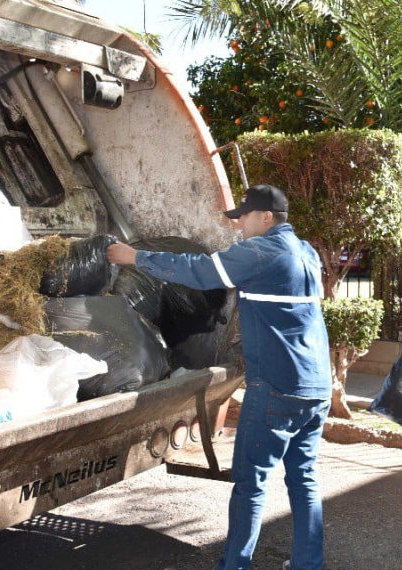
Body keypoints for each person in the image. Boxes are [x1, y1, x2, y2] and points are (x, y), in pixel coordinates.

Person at [107, 184, 332, 570]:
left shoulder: (260, 252)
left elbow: (198, 271)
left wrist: (136, 257)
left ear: (266, 217)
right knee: (304, 478)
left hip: (276, 387)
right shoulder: (307, 252)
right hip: (316, 386)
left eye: (244, 217)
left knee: (250, 483)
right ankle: (308, 564)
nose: (239, 225)